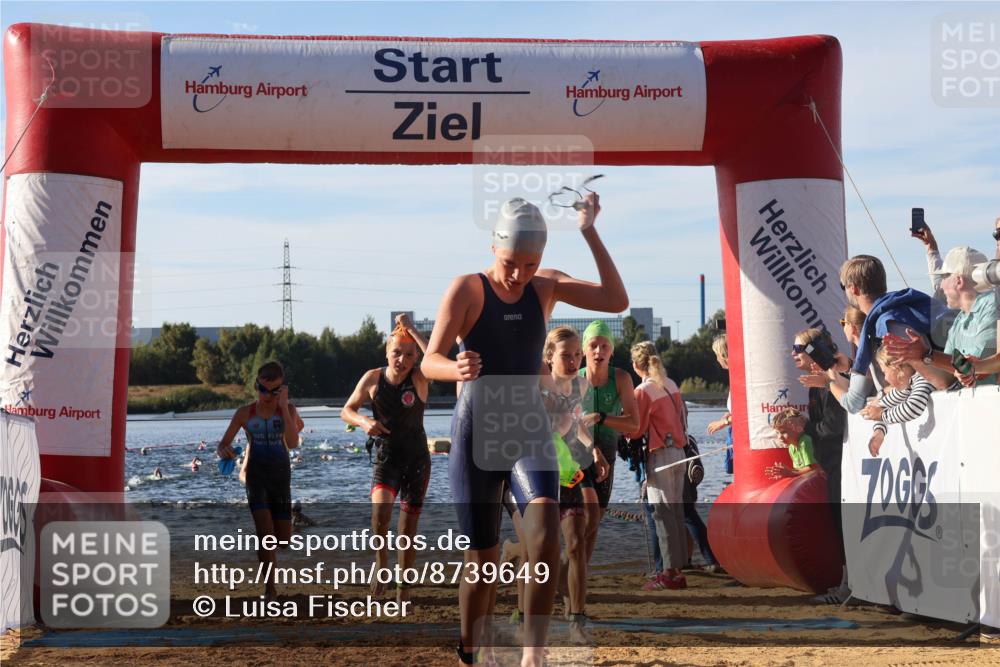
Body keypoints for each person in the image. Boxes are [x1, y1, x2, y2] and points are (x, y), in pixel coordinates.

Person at [420, 194, 628, 667]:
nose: (519, 275)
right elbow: (431, 361)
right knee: (483, 559)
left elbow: (616, 300)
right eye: (512, 263)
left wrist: (589, 231)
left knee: (547, 538)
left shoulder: (545, 286)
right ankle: (473, 652)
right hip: (477, 428)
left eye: (530, 264)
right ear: (495, 247)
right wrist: (457, 368)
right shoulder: (468, 289)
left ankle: (534, 657)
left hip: (527, 426)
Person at [342, 313, 431, 604]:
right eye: (396, 353)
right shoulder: (372, 378)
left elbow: (434, 356)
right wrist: (363, 422)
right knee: (380, 517)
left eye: (408, 355)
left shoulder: (419, 377)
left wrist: (414, 330)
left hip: (417, 460)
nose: (401, 360)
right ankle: (381, 565)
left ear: (415, 357)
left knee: (407, 529)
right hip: (386, 457)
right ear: (386, 352)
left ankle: (404, 586)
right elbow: (347, 410)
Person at [539, 326, 608, 644]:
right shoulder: (536, 385)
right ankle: (516, 560)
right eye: (567, 355)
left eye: (577, 355)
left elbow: (575, 422)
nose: (574, 360)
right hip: (536, 473)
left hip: (568, 473)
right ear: (549, 357)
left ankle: (576, 621)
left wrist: (593, 449)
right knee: (540, 552)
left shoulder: (578, 385)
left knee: (577, 542)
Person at [217, 361, 304, 598]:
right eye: (261, 389)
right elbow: (223, 443)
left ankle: (273, 570)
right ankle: (270, 588)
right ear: (256, 386)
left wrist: (284, 407)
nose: (266, 395)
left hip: (280, 478)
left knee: (283, 541)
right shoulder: (244, 413)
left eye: (272, 391)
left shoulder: (288, 410)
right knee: (264, 535)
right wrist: (224, 451)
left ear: (282, 390)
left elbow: (293, 443)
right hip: (256, 477)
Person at [827, 255, 934, 413]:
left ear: (853, 288)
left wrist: (882, 402)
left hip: (923, 417)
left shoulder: (887, 325)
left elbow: (911, 380)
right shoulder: (892, 315)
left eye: (843, 286)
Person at [883, 246, 997, 389]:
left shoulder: (992, 306)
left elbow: (975, 368)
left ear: (959, 281)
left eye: (944, 277)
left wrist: (926, 354)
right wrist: (916, 358)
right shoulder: (960, 320)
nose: (941, 285)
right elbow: (946, 378)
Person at [626, 341, 689, 591]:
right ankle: (678, 569)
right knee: (675, 511)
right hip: (680, 452)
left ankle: (668, 573)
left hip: (660, 455)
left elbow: (637, 429)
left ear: (635, 365)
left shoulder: (643, 390)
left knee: (662, 513)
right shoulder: (670, 384)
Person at [578, 321, 640, 572]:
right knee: (585, 517)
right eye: (593, 345)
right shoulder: (575, 379)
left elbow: (634, 424)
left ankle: (579, 571)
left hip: (608, 455)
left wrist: (602, 417)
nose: (598, 351)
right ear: (584, 350)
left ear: (611, 351)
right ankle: (571, 567)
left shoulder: (622, 378)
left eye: (604, 346)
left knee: (595, 521)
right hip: (578, 456)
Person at [863, 346, 935, 457]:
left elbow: (913, 407)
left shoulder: (923, 375)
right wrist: (879, 431)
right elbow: (882, 404)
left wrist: (881, 415)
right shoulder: (909, 384)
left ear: (896, 367)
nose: (885, 378)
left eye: (885, 372)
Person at [706, 334, 734, 477]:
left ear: (724, 355)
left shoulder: (738, 377)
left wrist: (723, 422)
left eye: (717, 355)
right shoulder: (734, 376)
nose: (716, 359)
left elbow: (745, 413)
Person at [764, 408, 818, 480]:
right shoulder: (791, 447)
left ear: (797, 428)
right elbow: (801, 470)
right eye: (777, 433)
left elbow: (815, 468)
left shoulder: (805, 442)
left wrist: (792, 473)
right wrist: (785, 472)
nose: (779, 436)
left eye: (783, 432)